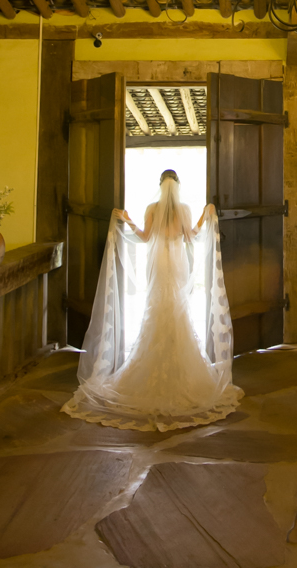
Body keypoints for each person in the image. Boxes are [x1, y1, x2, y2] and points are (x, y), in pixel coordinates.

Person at [61, 169, 243, 432]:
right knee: (178, 309)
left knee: (157, 307)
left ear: (160, 185)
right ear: (177, 186)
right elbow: (192, 236)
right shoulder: (184, 209)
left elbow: (145, 237)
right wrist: (205, 216)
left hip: (158, 264)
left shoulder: (151, 209)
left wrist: (128, 221)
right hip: (177, 263)